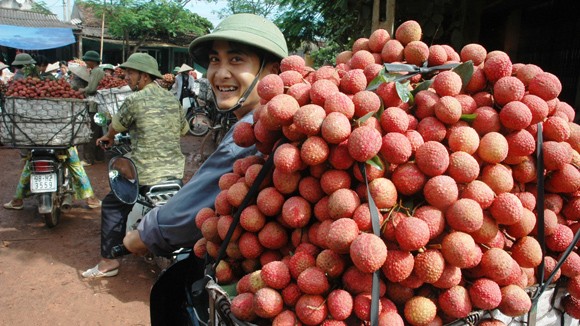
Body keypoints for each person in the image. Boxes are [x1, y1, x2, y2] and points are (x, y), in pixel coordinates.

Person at [122, 13, 288, 257]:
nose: (220, 73)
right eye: (214, 60)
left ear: (273, 71)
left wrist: (145, 235)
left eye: (236, 59)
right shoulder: (266, 121)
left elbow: (191, 209)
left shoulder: (258, 130)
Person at [81, 53, 188, 278]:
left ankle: (108, 262)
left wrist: (108, 137)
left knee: (112, 205)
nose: (126, 77)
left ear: (143, 76)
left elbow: (115, 127)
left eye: (130, 73)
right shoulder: (171, 99)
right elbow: (184, 130)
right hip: (175, 173)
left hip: (145, 174)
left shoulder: (134, 100)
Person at [79, 50, 106, 166]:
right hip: (98, 106)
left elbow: (91, 89)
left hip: (94, 106)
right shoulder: (96, 71)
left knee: (90, 133)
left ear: (92, 61)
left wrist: (82, 90)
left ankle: (88, 159)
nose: (85, 62)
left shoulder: (96, 72)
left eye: (86, 60)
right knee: (98, 132)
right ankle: (99, 157)